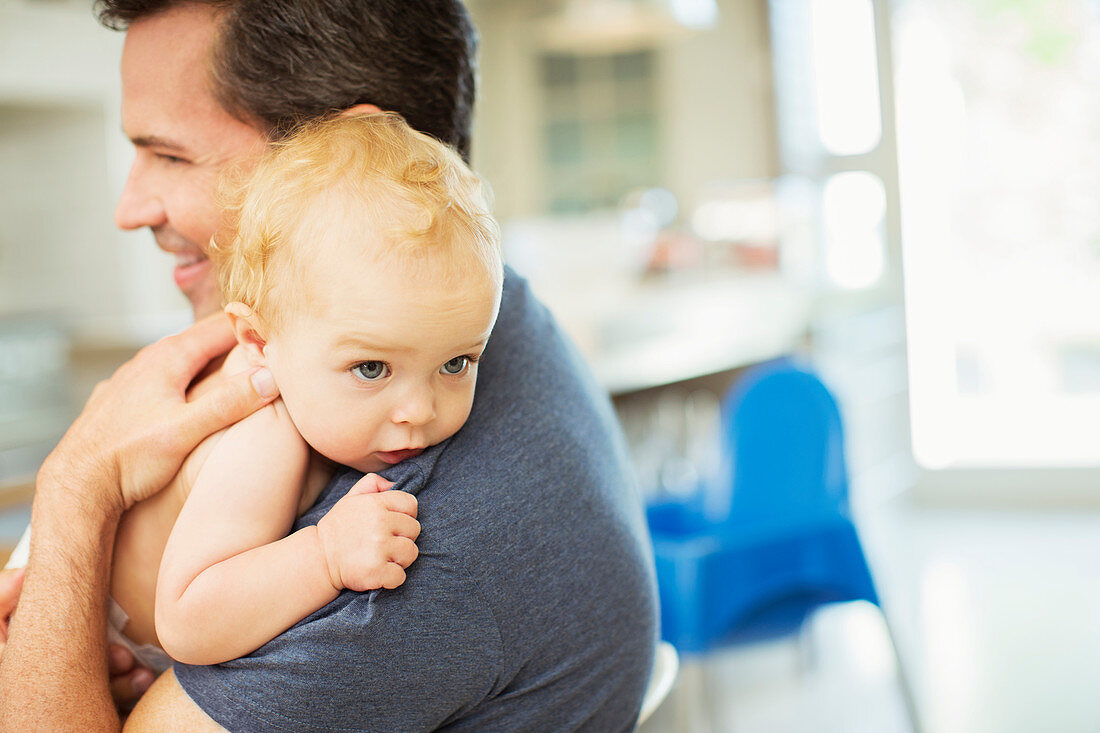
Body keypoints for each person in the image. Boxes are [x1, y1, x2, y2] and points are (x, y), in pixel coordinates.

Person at [0, 1, 658, 731]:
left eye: (171, 155)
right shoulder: (493, 320)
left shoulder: (416, 542)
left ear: (340, 145)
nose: (130, 206)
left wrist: (76, 483)